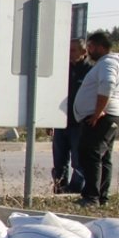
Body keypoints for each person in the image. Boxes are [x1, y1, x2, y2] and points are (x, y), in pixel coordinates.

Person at [73, 31, 119, 207]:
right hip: (108, 115)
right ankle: (101, 197)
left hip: (100, 117)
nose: (88, 50)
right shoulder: (113, 64)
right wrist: (113, 105)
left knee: (91, 154)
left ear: (100, 47)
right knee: (102, 157)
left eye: (90, 47)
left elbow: (108, 84)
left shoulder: (108, 64)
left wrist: (99, 111)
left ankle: (91, 197)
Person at [51, 38, 93, 194]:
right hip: (61, 121)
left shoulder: (90, 71)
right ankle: (59, 188)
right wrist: (49, 120)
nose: (69, 54)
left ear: (84, 52)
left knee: (78, 160)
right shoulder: (63, 71)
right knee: (59, 160)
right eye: (67, 50)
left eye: (73, 50)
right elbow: (55, 94)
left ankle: (74, 190)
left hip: (80, 124)